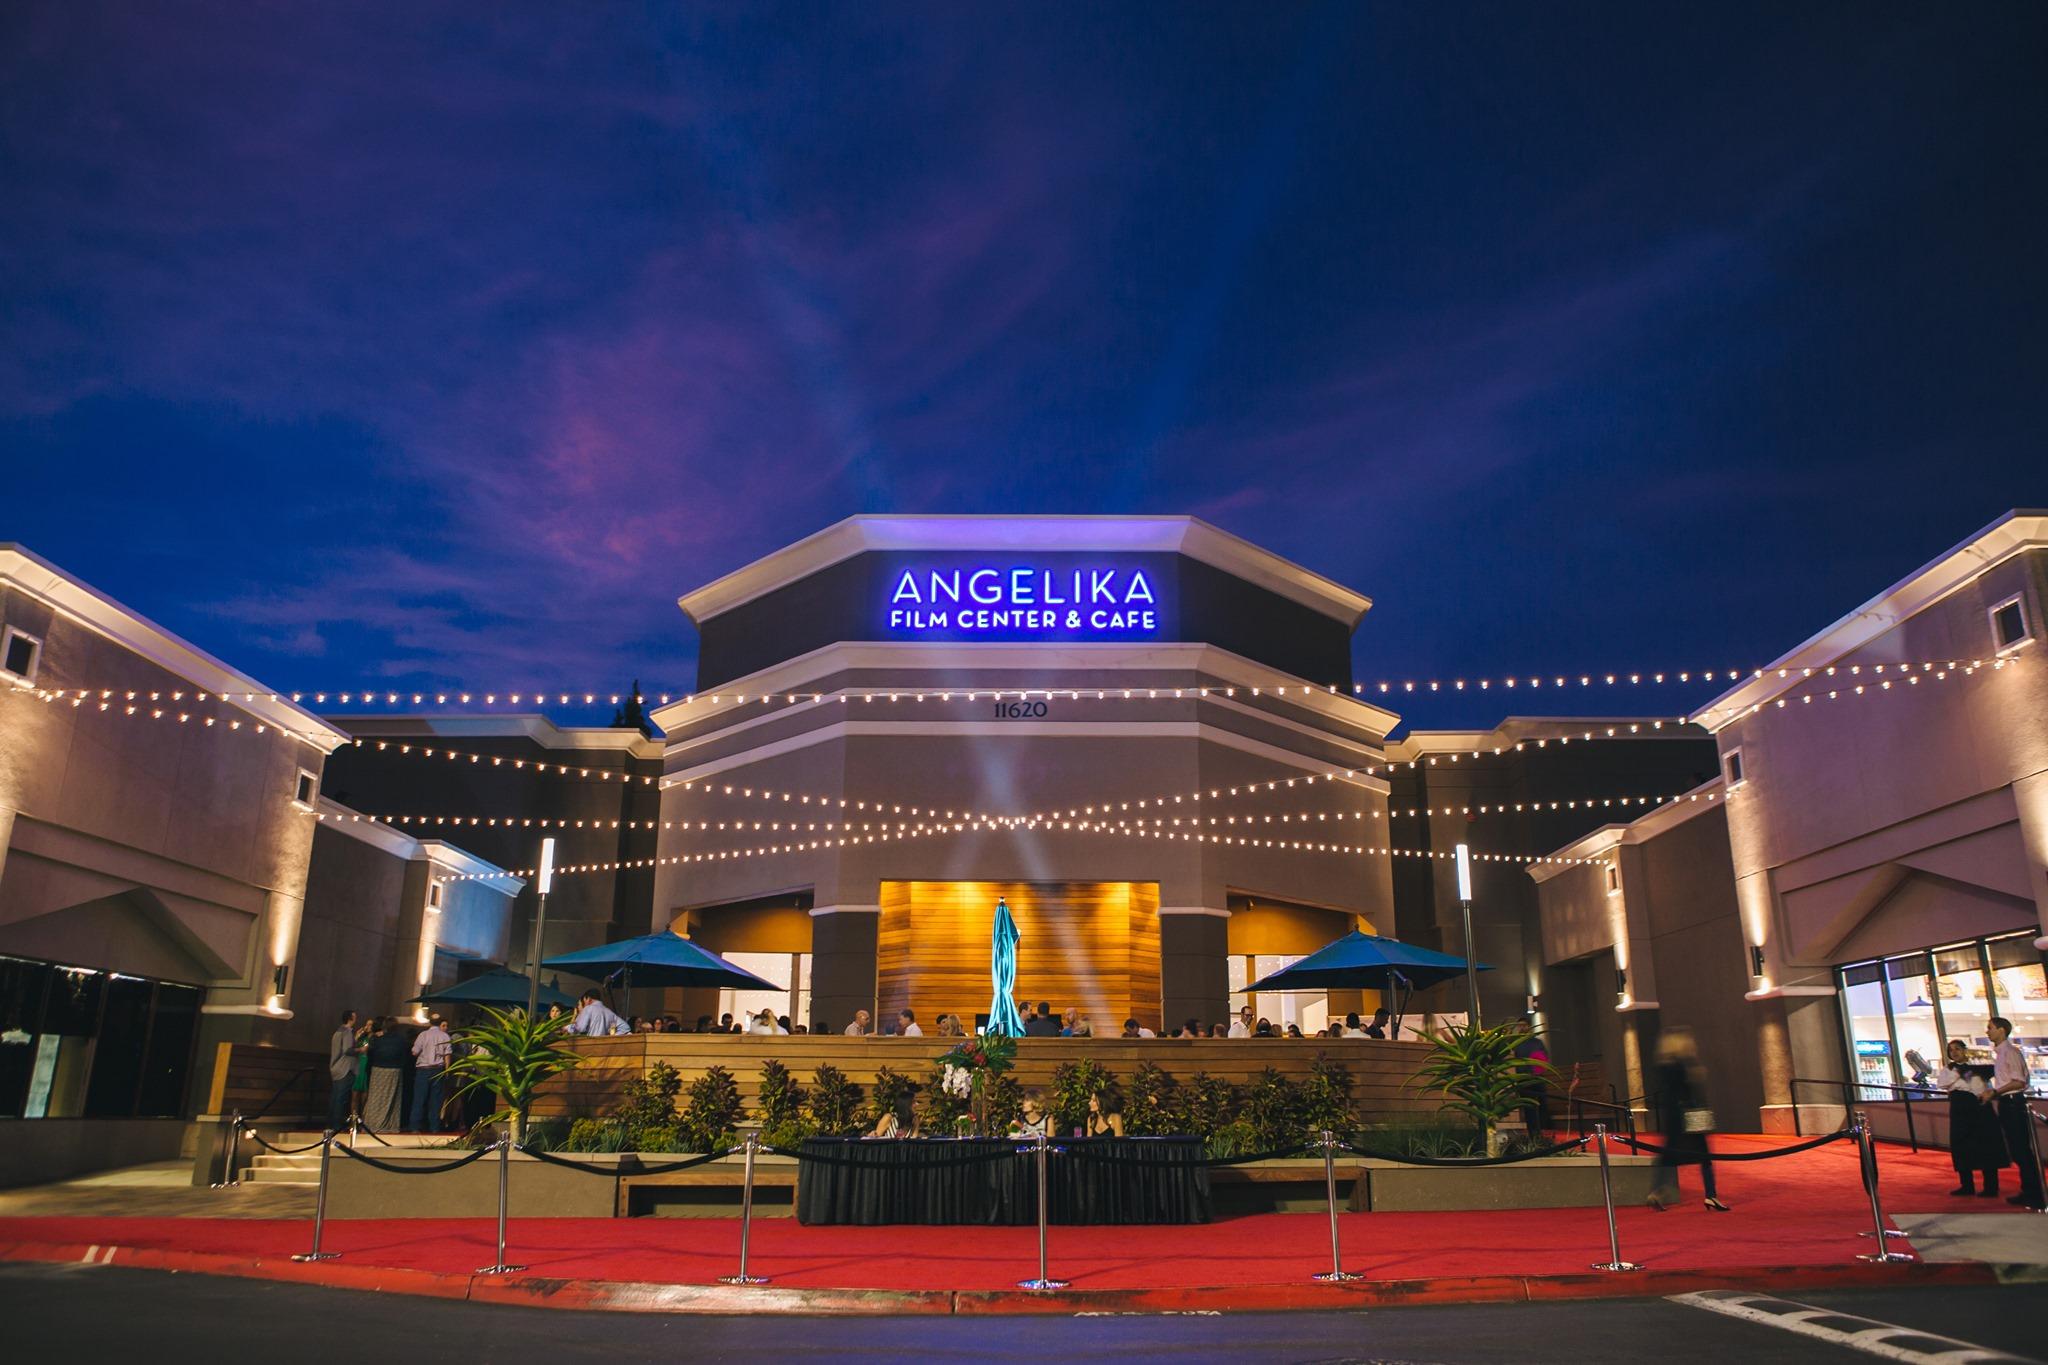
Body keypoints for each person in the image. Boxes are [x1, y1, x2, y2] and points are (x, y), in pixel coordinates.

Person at [1647, 1027, 1728, 1211]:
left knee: (1667, 1156)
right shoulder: (1683, 1065)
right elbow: (1691, 1092)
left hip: (1672, 1117)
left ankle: (1656, 1191)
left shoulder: (1663, 1067)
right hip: (1690, 1116)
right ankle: (1711, 1195)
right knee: (1705, 1156)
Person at [1934, 1038, 2008, 1197]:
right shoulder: (1948, 1069)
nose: (1954, 1052)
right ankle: (1966, 1185)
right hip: (1959, 1106)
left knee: (1987, 1144)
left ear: (1964, 1050)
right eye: (1951, 1050)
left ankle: (1991, 1187)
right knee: (1962, 1145)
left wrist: (1968, 1072)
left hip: (1979, 1105)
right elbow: (1942, 1084)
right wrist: (1958, 1072)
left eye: (1957, 1049)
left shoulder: (1978, 1067)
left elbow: (1983, 1084)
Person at [1987, 1016, 2044, 1208]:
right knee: (2018, 1150)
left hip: (2013, 1103)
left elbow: (2018, 1081)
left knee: (2022, 1150)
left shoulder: (2010, 1052)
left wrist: (1995, 1092)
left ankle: (2035, 1193)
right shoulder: (2002, 1054)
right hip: (2007, 1103)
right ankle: (2029, 1190)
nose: (1988, 1032)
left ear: (2001, 1030)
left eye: (1990, 1028)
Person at [362, 1017, 408, 1132]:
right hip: (394, 1071)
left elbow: (370, 1054)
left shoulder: (377, 1040)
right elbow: (404, 1056)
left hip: (377, 1070)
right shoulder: (401, 1040)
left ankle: (372, 1122)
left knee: (375, 1098)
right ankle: (390, 1124)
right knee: (391, 1099)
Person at [408, 1012, 451, 1132]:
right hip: (438, 1070)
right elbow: (447, 1055)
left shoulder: (423, 1035)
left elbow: (415, 1052)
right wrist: (447, 1071)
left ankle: (415, 1126)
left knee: (419, 1099)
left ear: (430, 1022)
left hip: (423, 1070)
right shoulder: (445, 1036)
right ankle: (434, 1127)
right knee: (436, 1100)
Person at [326, 1009, 361, 1135]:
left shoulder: (338, 1031)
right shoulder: (346, 1032)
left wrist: (355, 1038)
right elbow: (348, 1050)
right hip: (345, 1069)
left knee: (335, 1097)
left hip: (336, 1067)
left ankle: (330, 1123)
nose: (356, 1019)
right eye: (354, 1017)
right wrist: (361, 1049)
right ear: (351, 1018)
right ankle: (337, 1125)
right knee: (341, 1099)